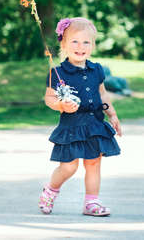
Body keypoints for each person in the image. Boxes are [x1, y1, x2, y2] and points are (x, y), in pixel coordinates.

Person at [39, 17, 122, 217]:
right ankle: (50, 190)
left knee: (93, 163)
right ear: (64, 44)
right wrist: (60, 105)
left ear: (92, 45)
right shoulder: (58, 73)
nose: (80, 46)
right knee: (69, 167)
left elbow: (102, 94)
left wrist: (112, 114)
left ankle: (91, 203)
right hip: (72, 126)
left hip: (94, 124)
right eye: (74, 41)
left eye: (86, 42)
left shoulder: (96, 70)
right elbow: (49, 98)